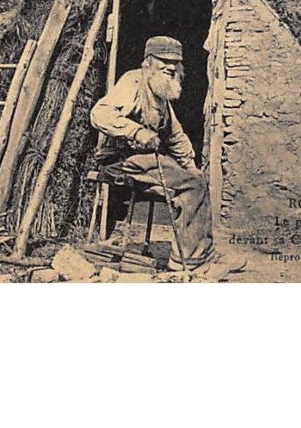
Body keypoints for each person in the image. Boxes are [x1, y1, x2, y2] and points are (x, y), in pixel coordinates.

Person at [90, 36, 213, 270]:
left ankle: (194, 254)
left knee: (196, 180)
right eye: (164, 61)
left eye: (176, 63)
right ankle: (190, 260)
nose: (171, 67)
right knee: (194, 186)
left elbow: (175, 136)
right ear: (148, 63)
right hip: (121, 160)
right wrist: (136, 132)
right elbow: (99, 114)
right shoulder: (133, 82)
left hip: (144, 161)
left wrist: (189, 166)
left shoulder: (161, 95)